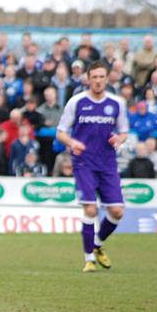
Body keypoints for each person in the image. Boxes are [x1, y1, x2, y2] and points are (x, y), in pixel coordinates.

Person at [57, 61, 128, 273]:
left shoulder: (117, 103)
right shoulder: (76, 102)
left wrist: (120, 139)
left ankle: (97, 245)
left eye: (101, 77)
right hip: (84, 163)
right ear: (88, 79)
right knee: (90, 208)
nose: (97, 81)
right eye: (94, 77)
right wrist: (72, 143)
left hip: (107, 164)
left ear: (107, 79)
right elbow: (60, 132)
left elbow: (124, 131)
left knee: (117, 211)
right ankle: (89, 259)